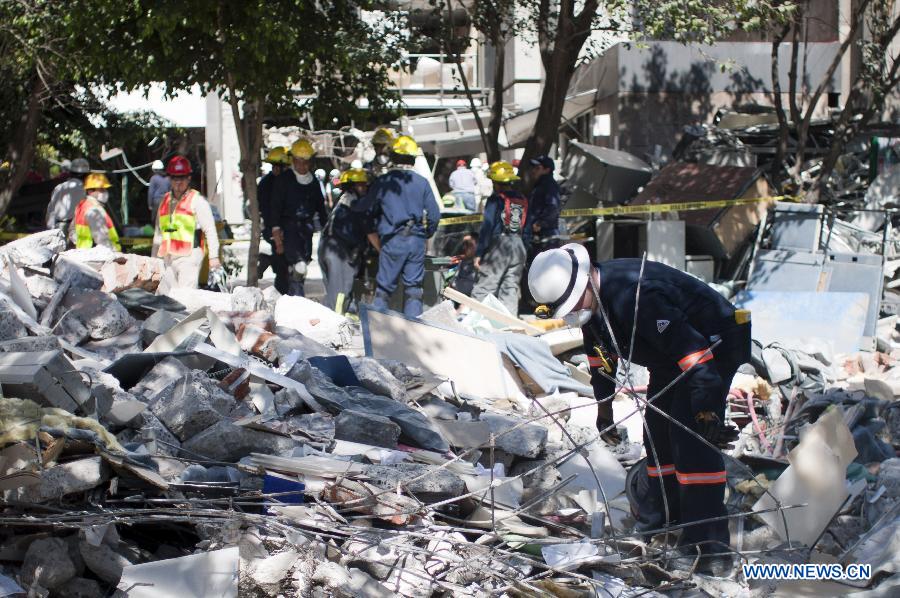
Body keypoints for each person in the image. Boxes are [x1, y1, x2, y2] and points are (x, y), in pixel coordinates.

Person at [527, 246, 751, 576]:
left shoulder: (638, 297)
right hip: (670, 357)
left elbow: (694, 354)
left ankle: (709, 549)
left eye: (573, 304)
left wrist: (707, 412)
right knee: (657, 432)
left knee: (690, 441)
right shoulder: (594, 303)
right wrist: (605, 412)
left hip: (711, 346)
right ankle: (663, 522)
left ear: (587, 282)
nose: (572, 313)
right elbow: (599, 360)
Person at [357, 134, 440, 318]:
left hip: (392, 241)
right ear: (412, 158)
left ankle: (379, 332)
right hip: (416, 240)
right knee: (414, 289)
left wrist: (372, 235)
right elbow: (434, 215)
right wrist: (425, 234)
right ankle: (414, 331)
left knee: (384, 290)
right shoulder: (422, 182)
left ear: (393, 157)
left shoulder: (384, 182)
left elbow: (364, 210)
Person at [153, 156, 221, 293]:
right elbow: (158, 232)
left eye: (182, 178)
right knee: (167, 298)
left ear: (189, 178)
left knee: (185, 298)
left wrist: (214, 256)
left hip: (189, 258)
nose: (178, 182)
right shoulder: (165, 201)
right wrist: (153, 260)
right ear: (169, 179)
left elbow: (210, 230)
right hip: (167, 257)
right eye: (174, 178)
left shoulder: (197, 201)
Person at [270, 139, 328, 296]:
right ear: (293, 160)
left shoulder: (314, 182)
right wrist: (276, 233)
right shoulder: (284, 180)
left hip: (306, 230)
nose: (302, 166)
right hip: (288, 229)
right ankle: (296, 297)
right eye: (299, 161)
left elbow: (321, 208)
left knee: (302, 266)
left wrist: (327, 229)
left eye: (306, 162)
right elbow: (275, 207)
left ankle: (293, 293)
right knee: (298, 266)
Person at [470, 161, 528, 315]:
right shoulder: (521, 198)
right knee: (510, 288)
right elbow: (526, 226)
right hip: (519, 245)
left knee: (484, 286)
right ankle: (509, 326)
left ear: (496, 182)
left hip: (500, 246)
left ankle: (474, 322)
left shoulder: (495, 199)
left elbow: (487, 227)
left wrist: (479, 253)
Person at [318, 168, 371, 312]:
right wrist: (362, 245)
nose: (365, 188)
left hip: (326, 247)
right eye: (361, 185)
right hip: (339, 251)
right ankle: (336, 324)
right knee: (340, 293)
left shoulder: (342, 200)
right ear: (353, 186)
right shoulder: (354, 203)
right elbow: (350, 232)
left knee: (333, 290)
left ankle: (335, 317)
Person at [257, 147, 290, 277]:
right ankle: (268, 261)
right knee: (281, 261)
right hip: (273, 227)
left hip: (282, 227)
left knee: (284, 260)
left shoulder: (285, 181)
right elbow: (265, 207)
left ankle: (269, 261)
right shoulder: (267, 184)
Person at [71, 173, 121, 251]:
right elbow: (103, 241)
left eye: (105, 189)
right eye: (101, 190)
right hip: (102, 256)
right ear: (90, 191)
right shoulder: (94, 210)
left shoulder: (82, 205)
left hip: (84, 254)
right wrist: (115, 254)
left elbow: (72, 230)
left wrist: (80, 246)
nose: (105, 192)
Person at [523, 155, 561, 256]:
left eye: (538, 168)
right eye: (534, 168)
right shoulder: (540, 185)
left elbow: (553, 207)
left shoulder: (549, 185)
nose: (533, 171)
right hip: (540, 236)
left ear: (547, 170)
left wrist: (540, 223)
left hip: (547, 236)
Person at [46, 158, 90, 231]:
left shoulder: (58, 188)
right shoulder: (85, 190)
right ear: (86, 175)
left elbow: (50, 211)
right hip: (75, 229)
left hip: (56, 228)